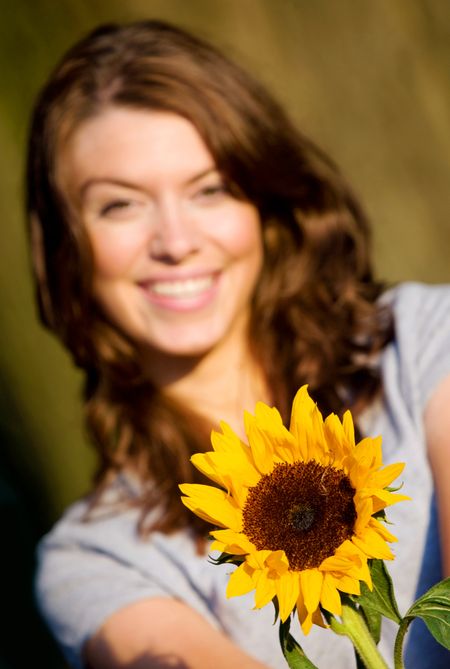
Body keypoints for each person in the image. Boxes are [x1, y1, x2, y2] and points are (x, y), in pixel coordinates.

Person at [27, 19, 450, 669]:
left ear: (264, 201)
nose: (175, 240)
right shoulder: (99, 561)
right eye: (121, 205)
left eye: (210, 189)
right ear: (67, 248)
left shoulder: (423, 341)